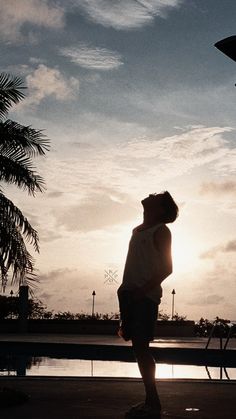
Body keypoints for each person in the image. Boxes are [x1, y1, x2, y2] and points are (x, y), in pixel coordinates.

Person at [117, 191, 179, 418]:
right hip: (130, 295)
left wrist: (142, 291)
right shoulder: (137, 230)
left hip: (144, 297)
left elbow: (167, 267)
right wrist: (124, 292)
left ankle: (153, 402)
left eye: (156, 196)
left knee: (141, 348)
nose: (150, 195)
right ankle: (150, 400)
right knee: (136, 347)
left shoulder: (161, 231)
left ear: (161, 209)